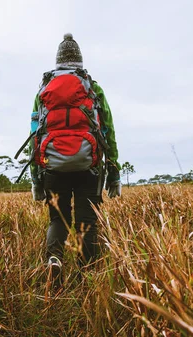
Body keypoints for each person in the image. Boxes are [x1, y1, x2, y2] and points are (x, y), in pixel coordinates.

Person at [20, 33, 121, 289]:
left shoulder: (43, 90)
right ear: (79, 60)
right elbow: (108, 130)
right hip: (89, 166)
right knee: (87, 221)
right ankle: (85, 278)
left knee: (57, 219)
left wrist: (36, 181)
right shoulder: (93, 87)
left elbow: (35, 135)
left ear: (58, 61)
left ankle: (54, 260)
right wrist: (114, 172)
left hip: (53, 166)